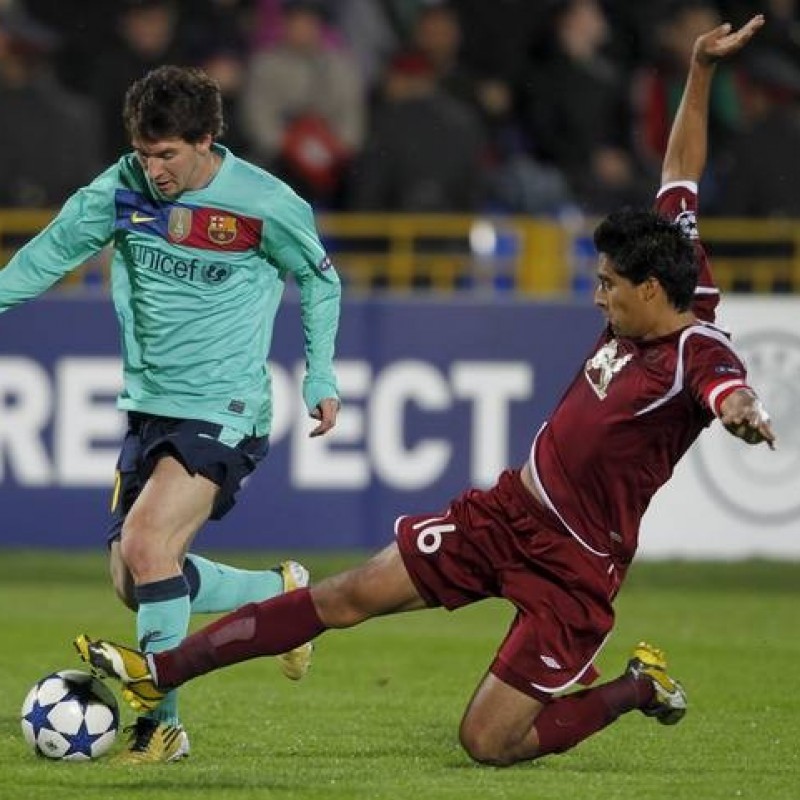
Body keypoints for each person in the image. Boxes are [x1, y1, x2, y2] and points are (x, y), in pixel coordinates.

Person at [76, 17, 773, 767]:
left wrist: (740, 412)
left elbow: (726, 389)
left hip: (577, 565)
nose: (598, 299)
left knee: (489, 744)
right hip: (510, 512)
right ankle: (159, 673)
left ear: (647, 289)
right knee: (347, 596)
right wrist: (699, 70)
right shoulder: (677, 255)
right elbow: (682, 167)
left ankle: (637, 687)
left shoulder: (695, 350)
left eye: (607, 287)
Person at [0, 64, 341, 763]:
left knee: (150, 545)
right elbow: (46, 256)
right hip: (150, 407)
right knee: (134, 579)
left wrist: (322, 374)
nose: (153, 169)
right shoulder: (117, 190)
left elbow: (317, 275)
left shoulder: (264, 203)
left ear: (207, 140)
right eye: (145, 153)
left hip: (227, 405)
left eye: (169, 156)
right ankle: (284, 595)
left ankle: (162, 729)